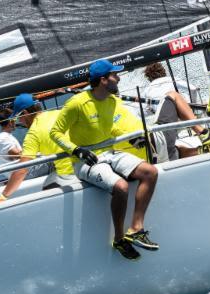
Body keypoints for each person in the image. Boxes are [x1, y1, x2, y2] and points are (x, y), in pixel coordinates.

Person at [51, 59, 160, 260]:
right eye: (114, 75)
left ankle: (136, 229)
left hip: (109, 152)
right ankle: (119, 240)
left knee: (151, 172)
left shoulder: (111, 101)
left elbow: (109, 127)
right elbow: (55, 132)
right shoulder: (76, 103)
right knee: (121, 187)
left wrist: (133, 138)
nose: (118, 78)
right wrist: (77, 150)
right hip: (86, 160)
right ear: (103, 80)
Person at [0, 93, 79, 204]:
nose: (19, 122)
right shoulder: (60, 113)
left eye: (18, 117)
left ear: (26, 113)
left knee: (46, 191)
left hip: (68, 175)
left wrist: (3, 196)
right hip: (84, 167)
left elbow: (22, 169)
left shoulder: (33, 133)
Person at [140, 62, 206, 159]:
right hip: (183, 119)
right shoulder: (172, 80)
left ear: (148, 77)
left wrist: (154, 110)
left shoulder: (147, 90)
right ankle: (203, 134)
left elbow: (144, 110)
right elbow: (193, 88)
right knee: (178, 98)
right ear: (163, 71)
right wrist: (193, 107)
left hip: (166, 125)